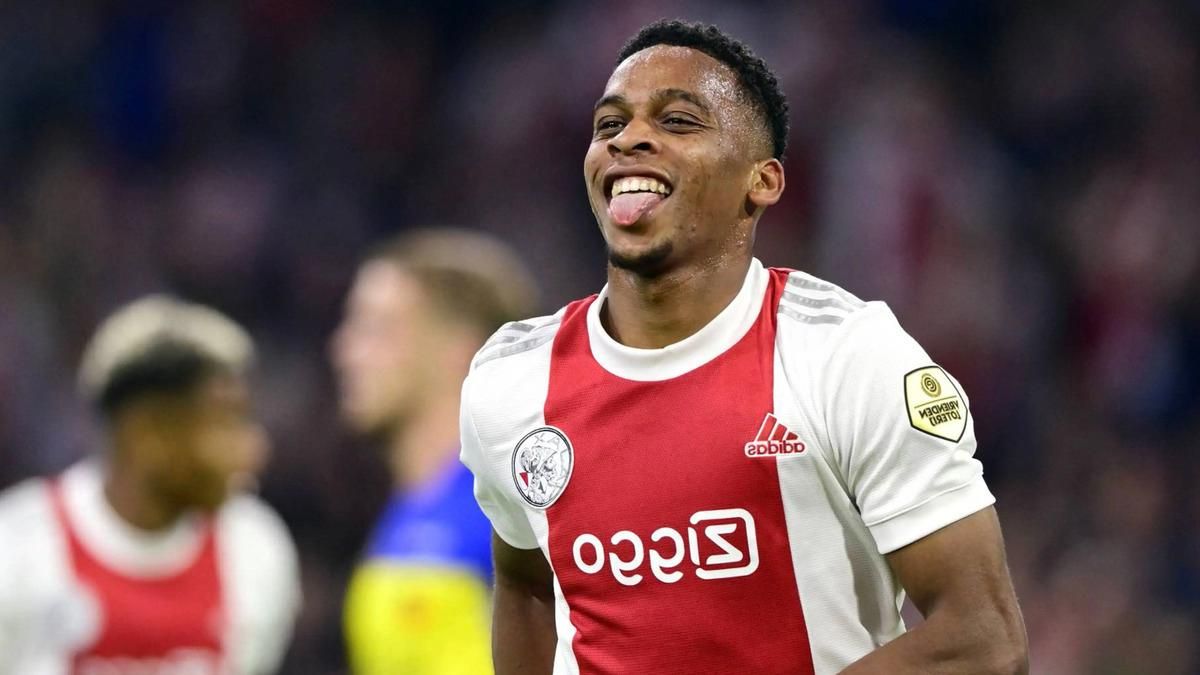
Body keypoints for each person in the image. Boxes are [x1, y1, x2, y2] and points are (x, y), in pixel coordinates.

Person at [459, 20, 1029, 675]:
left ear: (762, 181)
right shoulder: (511, 383)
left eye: (678, 121)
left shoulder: (846, 358)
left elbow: (983, 637)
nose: (628, 138)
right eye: (609, 124)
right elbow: (528, 586)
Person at [0, 295, 301, 674]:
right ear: (146, 434)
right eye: (225, 421)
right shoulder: (18, 547)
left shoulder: (255, 548)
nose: (253, 448)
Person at [332, 229, 539, 675]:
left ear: (458, 350)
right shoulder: (409, 507)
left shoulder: (513, 507)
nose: (345, 351)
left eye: (376, 329)